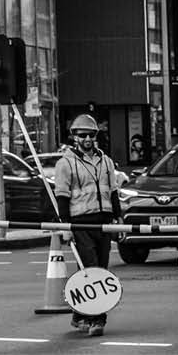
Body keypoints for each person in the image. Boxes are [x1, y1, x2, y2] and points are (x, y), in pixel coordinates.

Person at [53, 114, 122, 337]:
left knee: (100, 269)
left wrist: (118, 218)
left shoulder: (106, 161)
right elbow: (62, 197)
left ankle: (79, 315)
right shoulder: (66, 163)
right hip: (80, 223)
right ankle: (96, 319)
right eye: (83, 135)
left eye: (91, 135)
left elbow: (113, 192)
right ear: (74, 137)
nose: (88, 139)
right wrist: (65, 228)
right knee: (92, 271)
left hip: (104, 223)